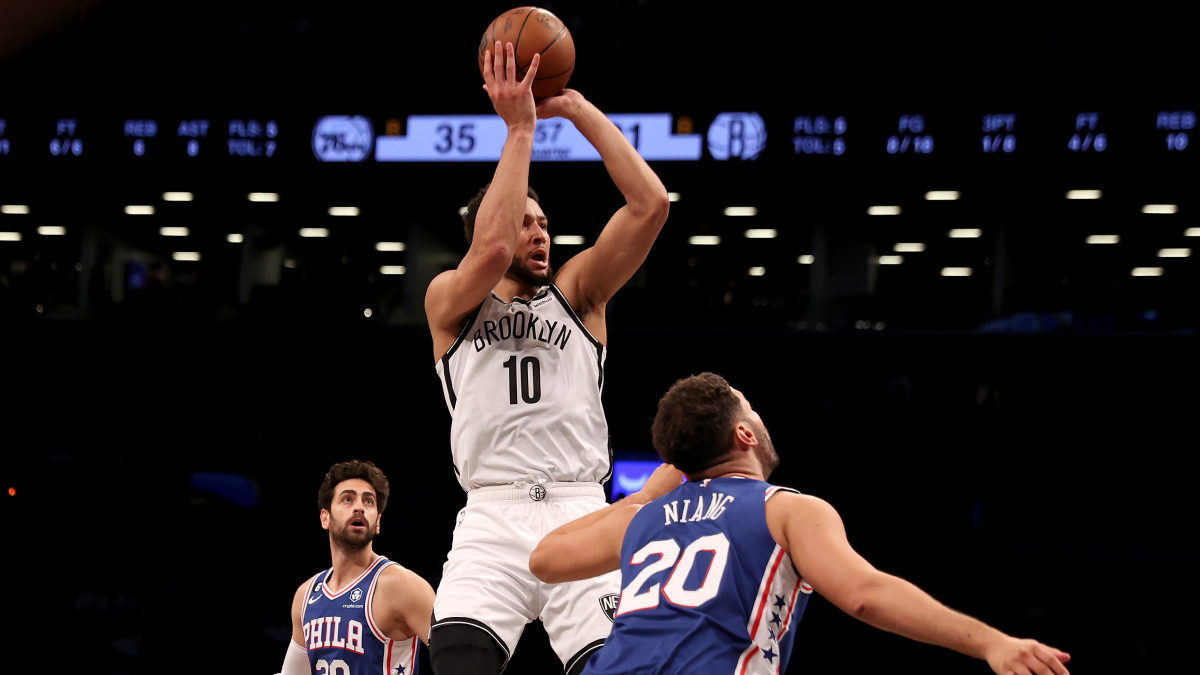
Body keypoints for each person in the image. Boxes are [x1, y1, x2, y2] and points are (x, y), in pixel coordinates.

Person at [530, 374, 1073, 675]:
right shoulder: (788, 508)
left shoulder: (642, 518)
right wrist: (990, 643)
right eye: (753, 412)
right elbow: (863, 595)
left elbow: (544, 560)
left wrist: (645, 495)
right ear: (744, 435)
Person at [424, 38, 674, 675]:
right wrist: (520, 132)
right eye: (526, 221)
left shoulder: (581, 294)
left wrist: (579, 109)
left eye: (544, 222)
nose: (540, 232)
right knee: (457, 666)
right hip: (490, 516)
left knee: (619, 670)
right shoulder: (449, 302)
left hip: (580, 510)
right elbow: (490, 251)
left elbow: (652, 205)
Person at [281, 460, 435, 675]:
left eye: (369, 501)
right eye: (347, 499)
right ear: (325, 517)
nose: (359, 507)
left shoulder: (402, 586)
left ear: (378, 522)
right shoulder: (306, 596)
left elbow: (459, 655)